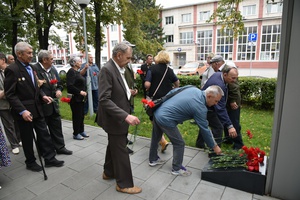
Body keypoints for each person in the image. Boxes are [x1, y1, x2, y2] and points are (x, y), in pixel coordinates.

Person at [4, 42, 64, 172]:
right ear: (19, 54)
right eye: (29, 53)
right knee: (27, 138)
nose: (32, 55)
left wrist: (42, 95)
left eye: (32, 52)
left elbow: (35, 87)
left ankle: (49, 158)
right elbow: (10, 94)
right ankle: (30, 161)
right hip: (24, 112)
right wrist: (22, 110)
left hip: (37, 108)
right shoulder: (12, 70)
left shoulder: (31, 67)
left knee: (44, 134)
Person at [97, 42, 142, 194]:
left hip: (119, 117)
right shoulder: (107, 70)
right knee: (120, 150)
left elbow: (117, 89)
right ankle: (124, 184)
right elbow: (104, 99)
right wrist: (125, 115)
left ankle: (108, 172)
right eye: (128, 58)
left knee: (114, 146)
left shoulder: (119, 68)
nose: (130, 60)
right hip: (115, 119)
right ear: (119, 55)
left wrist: (128, 92)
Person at [149, 85, 222, 176]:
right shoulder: (200, 107)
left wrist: (165, 105)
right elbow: (204, 129)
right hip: (166, 119)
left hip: (158, 111)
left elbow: (173, 92)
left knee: (156, 137)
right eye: (216, 101)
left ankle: (153, 159)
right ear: (209, 96)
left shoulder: (193, 88)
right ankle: (176, 169)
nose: (216, 104)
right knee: (179, 143)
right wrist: (214, 146)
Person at [33, 50, 72, 155]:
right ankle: (45, 151)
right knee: (43, 132)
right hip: (42, 105)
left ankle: (60, 147)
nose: (53, 61)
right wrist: (43, 95)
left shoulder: (53, 69)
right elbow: (34, 87)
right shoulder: (34, 69)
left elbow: (59, 83)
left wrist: (59, 90)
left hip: (54, 105)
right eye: (51, 59)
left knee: (56, 127)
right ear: (44, 60)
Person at [145, 50, 180, 153]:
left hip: (155, 98)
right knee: (163, 117)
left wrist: (148, 87)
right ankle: (164, 139)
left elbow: (147, 84)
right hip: (167, 98)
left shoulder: (152, 68)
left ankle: (162, 140)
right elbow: (177, 82)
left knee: (153, 117)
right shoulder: (169, 70)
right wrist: (173, 88)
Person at [201, 67, 239, 147]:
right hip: (207, 107)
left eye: (236, 78)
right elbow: (220, 108)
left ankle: (200, 144)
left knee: (204, 124)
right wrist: (230, 126)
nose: (234, 80)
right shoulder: (219, 85)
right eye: (232, 78)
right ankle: (215, 152)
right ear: (225, 75)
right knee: (218, 127)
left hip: (205, 104)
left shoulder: (218, 74)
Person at [0, 52, 21, 154]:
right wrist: (8, 90)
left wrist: (5, 91)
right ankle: (14, 144)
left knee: (15, 123)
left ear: (3, 60)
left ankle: (17, 140)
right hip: (2, 104)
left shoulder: (11, 70)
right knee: (8, 125)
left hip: (12, 102)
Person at [66, 57, 88, 140]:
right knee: (77, 116)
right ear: (74, 63)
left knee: (81, 115)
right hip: (75, 98)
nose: (80, 62)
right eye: (79, 61)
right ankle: (76, 133)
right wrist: (80, 92)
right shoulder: (71, 72)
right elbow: (70, 86)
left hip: (81, 98)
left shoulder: (77, 72)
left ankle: (81, 130)